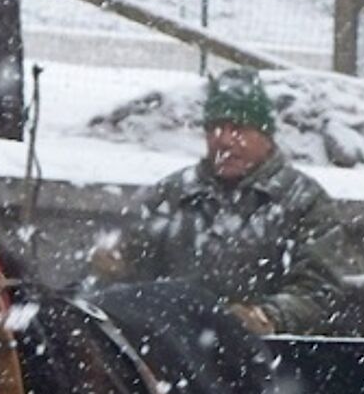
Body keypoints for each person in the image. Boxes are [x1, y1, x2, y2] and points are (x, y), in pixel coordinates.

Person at [93, 70, 347, 335]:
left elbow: (318, 289)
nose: (224, 141)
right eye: (215, 128)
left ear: (266, 136)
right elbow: (129, 271)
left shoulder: (303, 201)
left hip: (264, 358)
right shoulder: (172, 194)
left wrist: (270, 317)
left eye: (239, 129)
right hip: (174, 346)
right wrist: (113, 268)